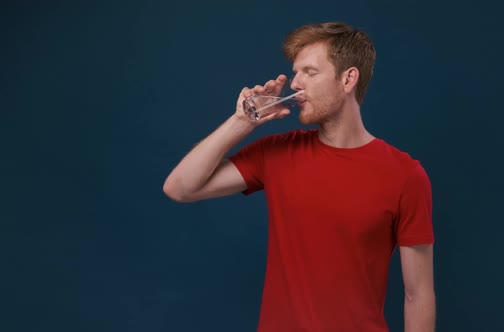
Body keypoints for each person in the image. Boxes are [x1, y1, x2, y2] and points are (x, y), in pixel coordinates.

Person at [163, 21, 436, 332]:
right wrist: (242, 121)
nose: (294, 84)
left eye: (310, 72)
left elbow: (418, 295)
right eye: (296, 72)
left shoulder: (405, 175)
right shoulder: (277, 152)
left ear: (348, 79)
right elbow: (179, 187)